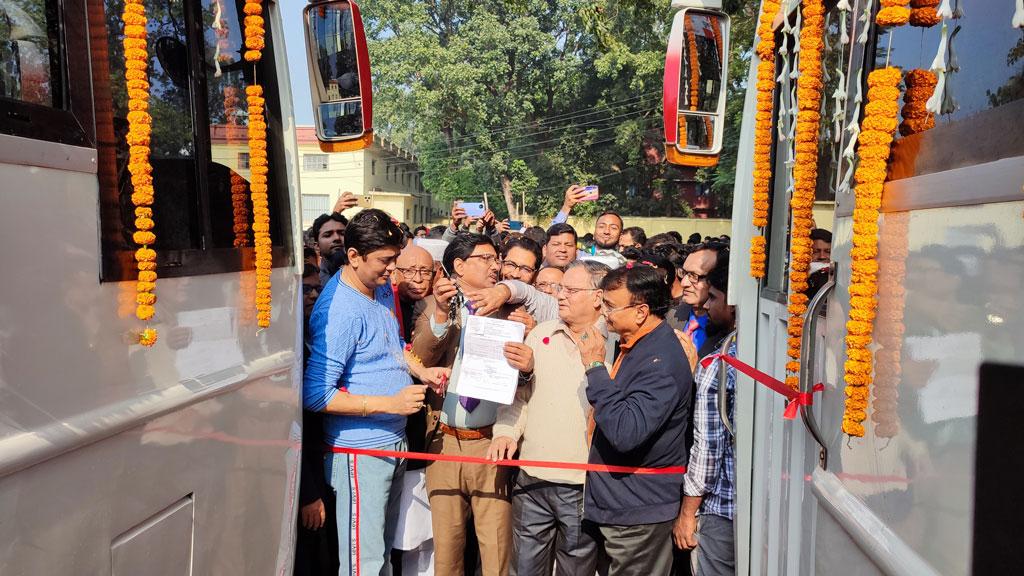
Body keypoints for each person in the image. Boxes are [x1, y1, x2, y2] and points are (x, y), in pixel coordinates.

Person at [303, 209, 450, 575]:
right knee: (362, 563)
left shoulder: (379, 288)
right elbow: (316, 394)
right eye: (385, 261)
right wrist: (391, 403)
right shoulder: (337, 311)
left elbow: (394, 343)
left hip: (392, 441)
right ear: (354, 256)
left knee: (382, 556)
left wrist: (421, 370)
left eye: (394, 260)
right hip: (360, 451)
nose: (392, 270)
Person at [411, 233, 533, 575]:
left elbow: (525, 378)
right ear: (459, 266)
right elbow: (420, 354)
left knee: (496, 551)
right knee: (447, 552)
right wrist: (438, 311)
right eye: (486, 258)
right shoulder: (433, 305)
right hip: (443, 443)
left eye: (498, 259)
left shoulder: (512, 312)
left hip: (490, 444)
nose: (496, 265)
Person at [488, 261, 613, 576]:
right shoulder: (541, 334)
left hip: (582, 485)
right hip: (532, 477)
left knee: (576, 569)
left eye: (571, 290)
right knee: (525, 568)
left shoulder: (615, 344)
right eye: (559, 289)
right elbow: (520, 398)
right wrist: (505, 432)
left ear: (598, 297)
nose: (560, 296)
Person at [573, 265, 694, 575]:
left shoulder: (660, 361)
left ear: (641, 311)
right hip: (619, 504)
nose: (604, 313)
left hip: (638, 511)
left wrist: (595, 367)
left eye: (612, 306)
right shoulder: (639, 343)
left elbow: (626, 432)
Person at [675, 252, 737, 576]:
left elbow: (709, 448)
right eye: (682, 273)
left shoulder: (723, 360)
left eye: (697, 278)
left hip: (718, 502)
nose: (686, 282)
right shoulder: (678, 314)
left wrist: (688, 511)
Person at [295, 264, 338, 576]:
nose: (312, 295)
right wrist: (308, 494)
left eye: (316, 289)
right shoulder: (290, 349)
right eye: (304, 289)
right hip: (305, 475)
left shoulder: (318, 339)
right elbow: (295, 433)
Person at [669, 242, 729, 355]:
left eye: (694, 276)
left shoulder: (730, 332)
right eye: (684, 273)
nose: (684, 283)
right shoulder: (671, 316)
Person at [394, 244, 435, 343]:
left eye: (425, 272)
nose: (418, 279)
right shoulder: (384, 302)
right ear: (393, 273)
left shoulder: (439, 302)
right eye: (409, 271)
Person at [311, 212, 349, 285]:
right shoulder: (313, 283)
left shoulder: (365, 276)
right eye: (328, 235)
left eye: (342, 234)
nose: (337, 238)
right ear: (317, 246)